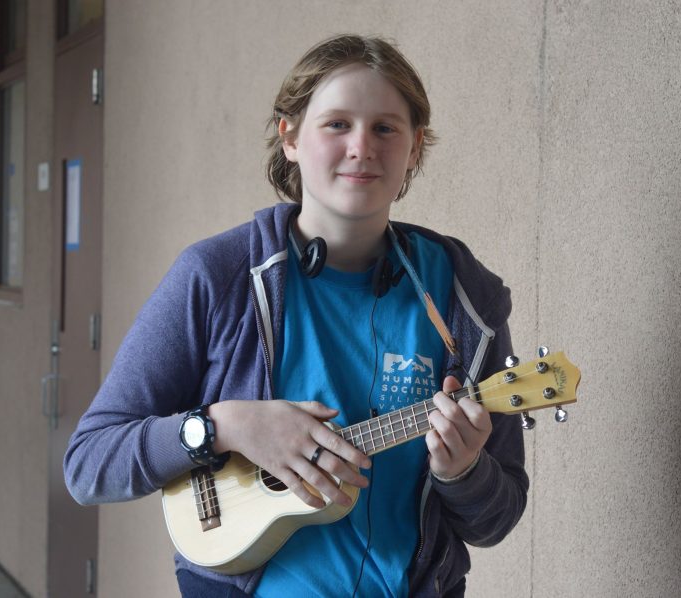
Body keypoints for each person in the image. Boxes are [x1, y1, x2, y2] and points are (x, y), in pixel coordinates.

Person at [64, 34, 528, 597]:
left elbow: (494, 522)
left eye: (386, 128)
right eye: (337, 124)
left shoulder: (462, 298)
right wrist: (224, 426)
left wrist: (463, 473)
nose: (362, 147)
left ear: (414, 147)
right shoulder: (216, 276)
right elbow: (89, 464)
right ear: (290, 137)